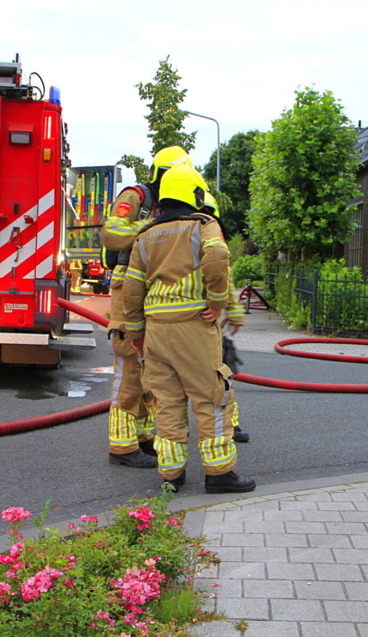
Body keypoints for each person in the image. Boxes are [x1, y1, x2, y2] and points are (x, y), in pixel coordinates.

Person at [122, 165, 256, 495]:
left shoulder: (146, 234)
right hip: (193, 327)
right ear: (195, 194)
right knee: (212, 398)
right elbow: (218, 253)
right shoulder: (203, 224)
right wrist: (217, 300)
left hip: (155, 331)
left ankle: (171, 475)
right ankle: (219, 473)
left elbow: (132, 287)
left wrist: (137, 334)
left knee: (166, 403)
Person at [101, 145, 192, 468]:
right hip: (126, 288)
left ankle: (142, 438)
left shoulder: (165, 205)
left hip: (147, 292)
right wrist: (153, 229)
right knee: (129, 369)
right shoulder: (135, 196)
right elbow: (112, 234)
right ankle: (121, 448)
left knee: (147, 371)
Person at [200, 193, 250, 443]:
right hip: (194, 323)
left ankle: (230, 425)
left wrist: (233, 309)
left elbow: (222, 276)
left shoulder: (209, 234)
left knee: (222, 378)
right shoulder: (182, 232)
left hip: (206, 323)